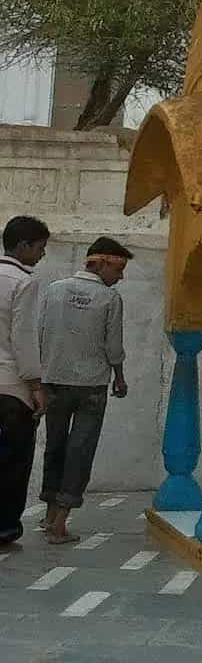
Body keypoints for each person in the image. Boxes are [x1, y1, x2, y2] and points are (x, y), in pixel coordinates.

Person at [37, 236, 131, 545]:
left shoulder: (54, 290)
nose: (121, 277)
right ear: (102, 264)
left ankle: (49, 515)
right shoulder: (109, 299)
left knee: (55, 446)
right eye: (118, 269)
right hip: (91, 385)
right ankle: (60, 525)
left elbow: (40, 334)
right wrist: (119, 377)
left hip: (54, 382)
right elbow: (113, 346)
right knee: (81, 450)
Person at [0, 216, 50, 547]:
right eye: (40, 248)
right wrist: (36, 386)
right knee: (12, 461)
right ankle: (4, 526)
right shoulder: (23, 282)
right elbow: (24, 340)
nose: (42, 255)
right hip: (11, 389)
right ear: (23, 246)